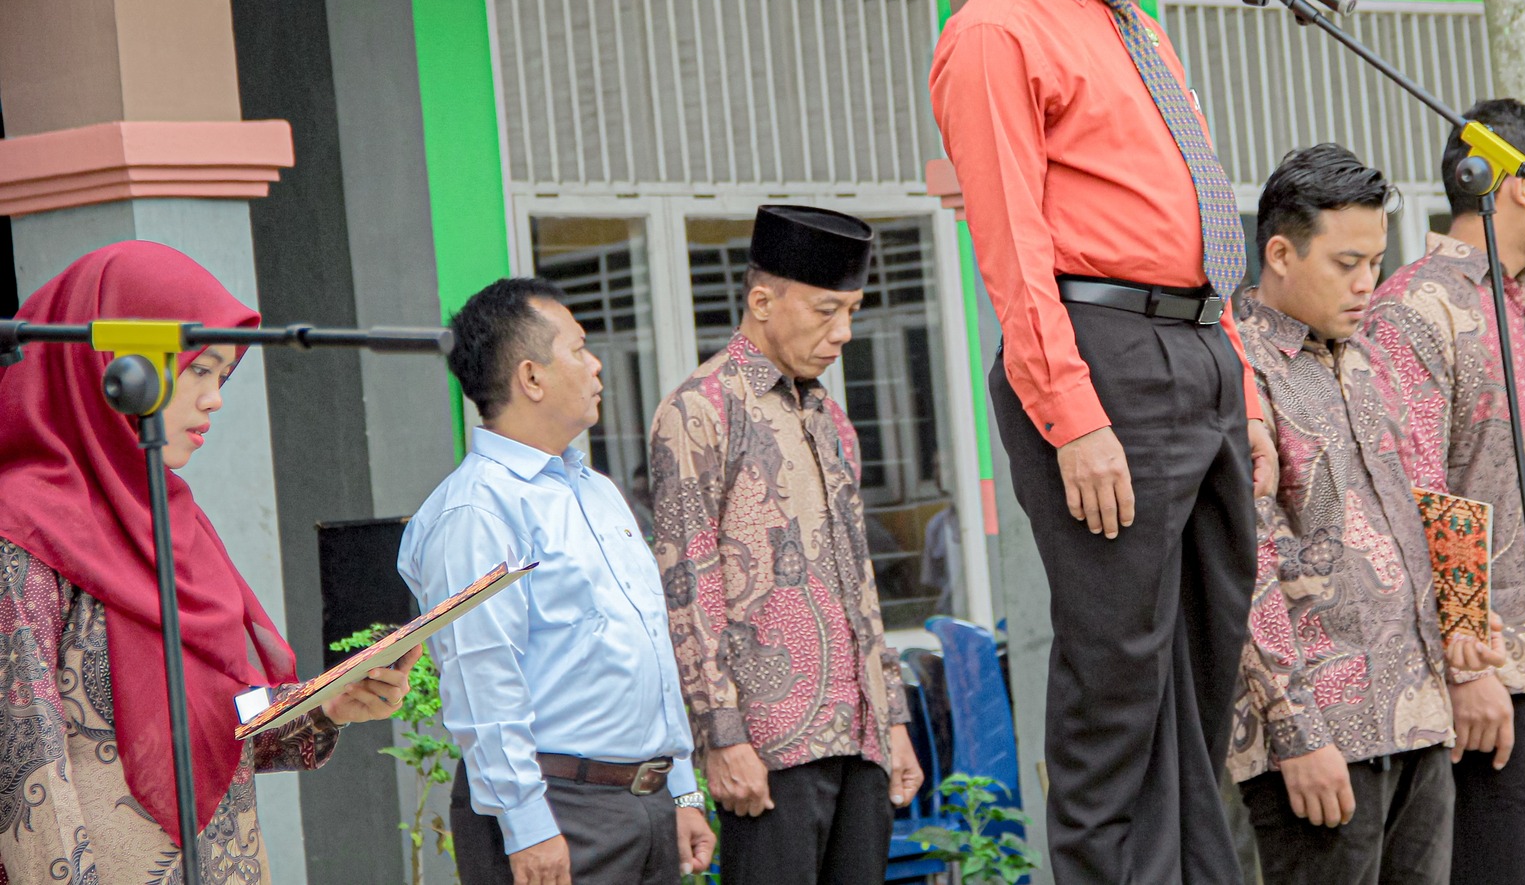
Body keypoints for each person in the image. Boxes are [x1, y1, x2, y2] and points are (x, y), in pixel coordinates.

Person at [929, 0, 1277, 885]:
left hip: (1196, 349)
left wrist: (1240, 383)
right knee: (1116, 671)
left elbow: (1188, 218)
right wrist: (1069, 415)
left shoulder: (1129, 20)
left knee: (1198, 665)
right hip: (1103, 360)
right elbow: (1013, 247)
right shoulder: (997, 31)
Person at [0, 241, 415, 884]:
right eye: (199, 369)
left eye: (222, 375)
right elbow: (24, 779)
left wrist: (327, 705)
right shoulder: (20, 534)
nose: (216, 398)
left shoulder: (173, 525)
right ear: (114, 363)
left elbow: (218, 722)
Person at [1230, 145, 1505, 885]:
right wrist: (1296, 732)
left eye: (1376, 261)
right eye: (1346, 262)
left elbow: (1430, 505)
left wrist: (1464, 636)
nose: (1366, 284)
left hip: (1417, 715)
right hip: (1321, 741)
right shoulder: (1236, 371)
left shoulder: (1372, 358)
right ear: (1280, 253)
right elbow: (1244, 561)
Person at [1362, 98, 1525, 885]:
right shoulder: (1416, 307)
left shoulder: (1524, 307)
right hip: (1501, 677)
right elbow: (1414, 497)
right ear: (1516, 185)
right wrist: (1470, 665)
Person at [399, 277, 715, 885]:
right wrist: (527, 826)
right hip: (558, 812)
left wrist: (677, 792)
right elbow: (482, 676)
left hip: (641, 805)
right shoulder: (478, 511)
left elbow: (648, 645)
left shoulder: (594, 490)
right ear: (532, 377)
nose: (596, 366)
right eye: (578, 348)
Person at [650, 205, 922, 885]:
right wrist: (721, 732)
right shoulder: (700, 410)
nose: (844, 333)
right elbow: (688, 586)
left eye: (854, 310)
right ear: (762, 300)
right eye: (828, 310)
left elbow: (862, 583)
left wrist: (893, 718)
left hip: (860, 740)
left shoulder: (832, 419)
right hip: (769, 748)